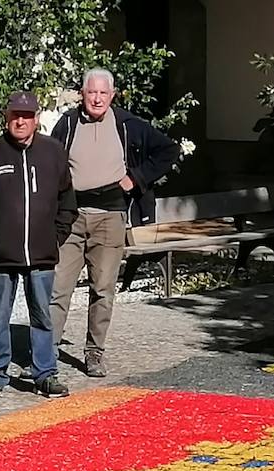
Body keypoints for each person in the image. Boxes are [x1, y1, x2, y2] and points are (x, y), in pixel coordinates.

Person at [50, 68, 180, 378]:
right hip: (71, 217)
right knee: (57, 287)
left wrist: (134, 178)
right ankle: (47, 350)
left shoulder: (128, 125)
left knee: (103, 288)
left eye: (102, 93)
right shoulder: (67, 124)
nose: (96, 98)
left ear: (113, 95)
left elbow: (169, 150)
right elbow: (50, 162)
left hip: (110, 217)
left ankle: (95, 353)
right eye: (91, 92)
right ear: (82, 94)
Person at [0, 91, 77, 400]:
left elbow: (67, 202)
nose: (21, 121)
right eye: (16, 115)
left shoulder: (53, 153)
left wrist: (56, 237)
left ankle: (45, 373)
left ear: (36, 119)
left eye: (27, 116)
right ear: (7, 117)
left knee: (42, 316)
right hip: (2, 257)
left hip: (41, 255)